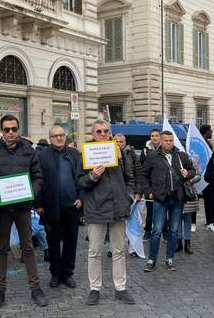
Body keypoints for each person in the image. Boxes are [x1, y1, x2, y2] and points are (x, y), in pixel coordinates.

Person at [0, 115, 47, 309]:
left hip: (23, 206)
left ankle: (35, 288)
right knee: (1, 248)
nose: (10, 132)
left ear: (18, 129)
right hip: (2, 208)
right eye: (6, 129)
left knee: (27, 247)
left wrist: (29, 194)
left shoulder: (28, 150)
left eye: (14, 129)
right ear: (1, 130)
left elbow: (38, 177)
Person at [77, 119, 136, 306]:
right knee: (94, 252)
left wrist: (129, 196)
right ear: (93, 134)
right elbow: (79, 182)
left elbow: (129, 177)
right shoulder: (86, 154)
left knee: (119, 250)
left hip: (118, 207)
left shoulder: (119, 152)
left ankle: (121, 288)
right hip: (96, 208)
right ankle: (95, 289)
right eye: (99, 132)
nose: (103, 134)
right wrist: (92, 176)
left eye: (105, 131)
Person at [138, 130, 195, 272]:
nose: (168, 143)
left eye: (171, 140)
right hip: (160, 198)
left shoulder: (181, 156)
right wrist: (148, 192)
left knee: (174, 230)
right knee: (156, 230)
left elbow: (193, 170)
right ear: (161, 141)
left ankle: (170, 258)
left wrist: (188, 173)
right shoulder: (152, 156)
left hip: (177, 198)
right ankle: (152, 259)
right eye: (166, 140)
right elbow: (143, 175)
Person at [36, 126, 82, 289]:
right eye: (55, 136)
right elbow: (37, 179)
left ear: (65, 137)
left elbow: (82, 178)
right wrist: (38, 203)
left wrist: (81, 198)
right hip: (50, 206)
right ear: (50, 138)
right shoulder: (42, 156)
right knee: (53, 241)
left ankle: (68, 273)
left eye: (61, 135)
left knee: (71, 241)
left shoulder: (74, 154)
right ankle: (55, 274)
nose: (59, 138)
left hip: (72, 206)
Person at [140, 128, 162, 240]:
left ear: (160, 137)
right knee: (150, 210)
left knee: (163, 210)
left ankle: (165, 232)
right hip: (149, 185)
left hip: (162, 185)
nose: (154, 138)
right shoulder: (145, 150)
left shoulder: (164, 149)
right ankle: (148, 231)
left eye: (156, 135)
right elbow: (142, 169)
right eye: (152, 136)